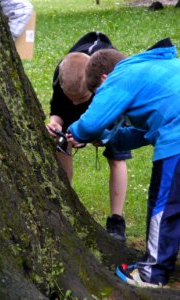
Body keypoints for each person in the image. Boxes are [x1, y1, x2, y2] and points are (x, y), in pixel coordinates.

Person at [67, 37, 180, 287]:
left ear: (105, 79)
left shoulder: (121, 76)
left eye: (98, 94)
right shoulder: (153, 70)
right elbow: (144, 132)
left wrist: (75, 132)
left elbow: (92, 123)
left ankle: (152, 273)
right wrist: (109, 141)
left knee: (164, 205)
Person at [46, 32, 132, 242]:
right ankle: (65, 206)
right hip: (84, 92)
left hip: (108, 106)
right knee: (61, 143)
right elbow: (58, 108)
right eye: (70, 97)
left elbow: (117, 121)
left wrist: (96, 135)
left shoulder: (111, 78)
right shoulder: (63, 74)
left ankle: (116, 221)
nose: (75, 104)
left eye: (80, 98)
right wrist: (56, 122)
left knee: (116, 156)